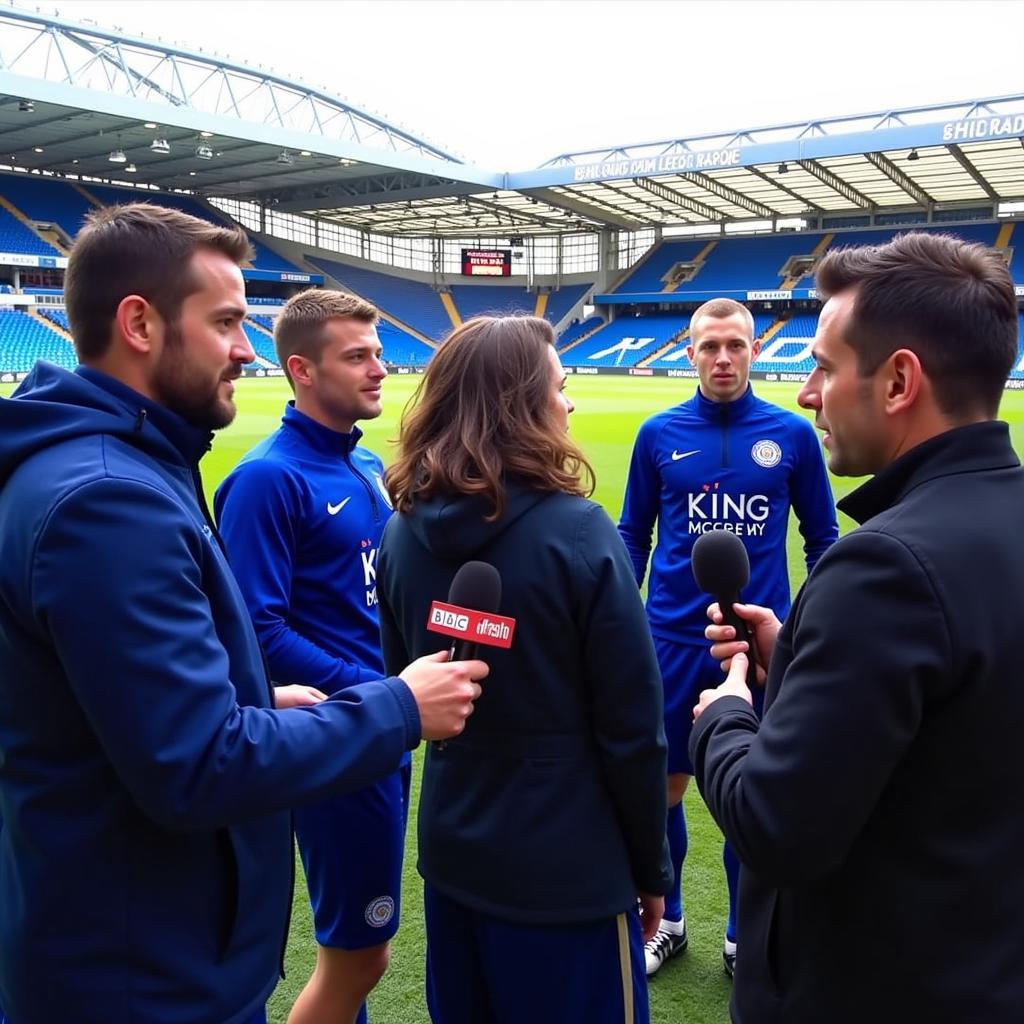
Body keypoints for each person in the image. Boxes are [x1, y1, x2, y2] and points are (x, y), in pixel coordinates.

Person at [0, 204, 487, 1024]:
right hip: (138, 971)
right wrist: (399, 705)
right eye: (226, 322)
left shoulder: (113, 463)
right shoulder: (107, 499)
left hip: (126, 936)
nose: (245, 349)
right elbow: (195, 764)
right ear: (140, 323)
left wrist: (257, 700)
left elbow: (127, 706)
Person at [691, 231, 1024, 1024]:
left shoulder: (885, 566)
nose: (808, 393)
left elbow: (777, 824)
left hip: (875, 984)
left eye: (825, 367)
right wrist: (805, 660)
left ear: (899, 380)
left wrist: (725, 721)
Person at [376, 316, 672, 1024]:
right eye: (559, 387)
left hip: (454, 859)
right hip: (570, 876)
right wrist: (650, 868)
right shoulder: (580, 533)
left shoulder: (397, 529)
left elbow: (406, 685)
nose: (570, 404)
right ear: (518, 402)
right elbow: (632, 729)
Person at [617, 297, 838, 978]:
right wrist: (621, 616)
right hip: (672, 642)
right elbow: (633, 534)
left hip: (760, 651)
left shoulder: (791, 436)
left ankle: (745, 934)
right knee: (664, 789)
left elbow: (823, 537)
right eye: (710, 346)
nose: (722, 358)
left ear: (754, 350)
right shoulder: (657, 433)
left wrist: (812, 625)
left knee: (761, 792)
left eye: (736, 346)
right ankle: (671, 920)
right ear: (690, 353)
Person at [215, 289, 403, 1024]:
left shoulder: (366, 467)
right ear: (301, 369)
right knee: (358, 956)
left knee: (360, 951)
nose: (379, 369)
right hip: (333, 735)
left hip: (380, 726)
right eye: (357, 356)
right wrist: (380, 691)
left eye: (378, 353)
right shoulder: (268, 479)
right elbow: (255, 633)